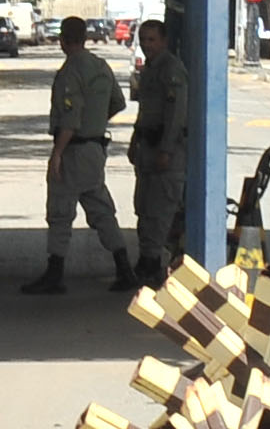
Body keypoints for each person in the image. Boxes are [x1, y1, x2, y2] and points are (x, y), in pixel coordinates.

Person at [22, 15, 132, 295]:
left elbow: (70, 118)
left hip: (74, 150)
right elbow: (118, 102)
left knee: (60, 211)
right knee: (101, 209)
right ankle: (124, 267)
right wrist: (96, 121)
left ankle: (55, 273)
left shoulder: (71, 71)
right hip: (95, 149)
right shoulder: (101, 66)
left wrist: (57, 154)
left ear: (63, 39)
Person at [126, 17, 188, 286]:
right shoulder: (150, 69)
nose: (147, 45)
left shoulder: (171, 70)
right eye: (143, 40)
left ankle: (153, 261)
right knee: (143, 206)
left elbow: (176, 115)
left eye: (152, 40)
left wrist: (166, 149)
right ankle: (146, 258)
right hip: (147, 148)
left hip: (166, 150)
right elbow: (144, 112)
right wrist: (134, 141)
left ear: (163, 41)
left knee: (160, 210)